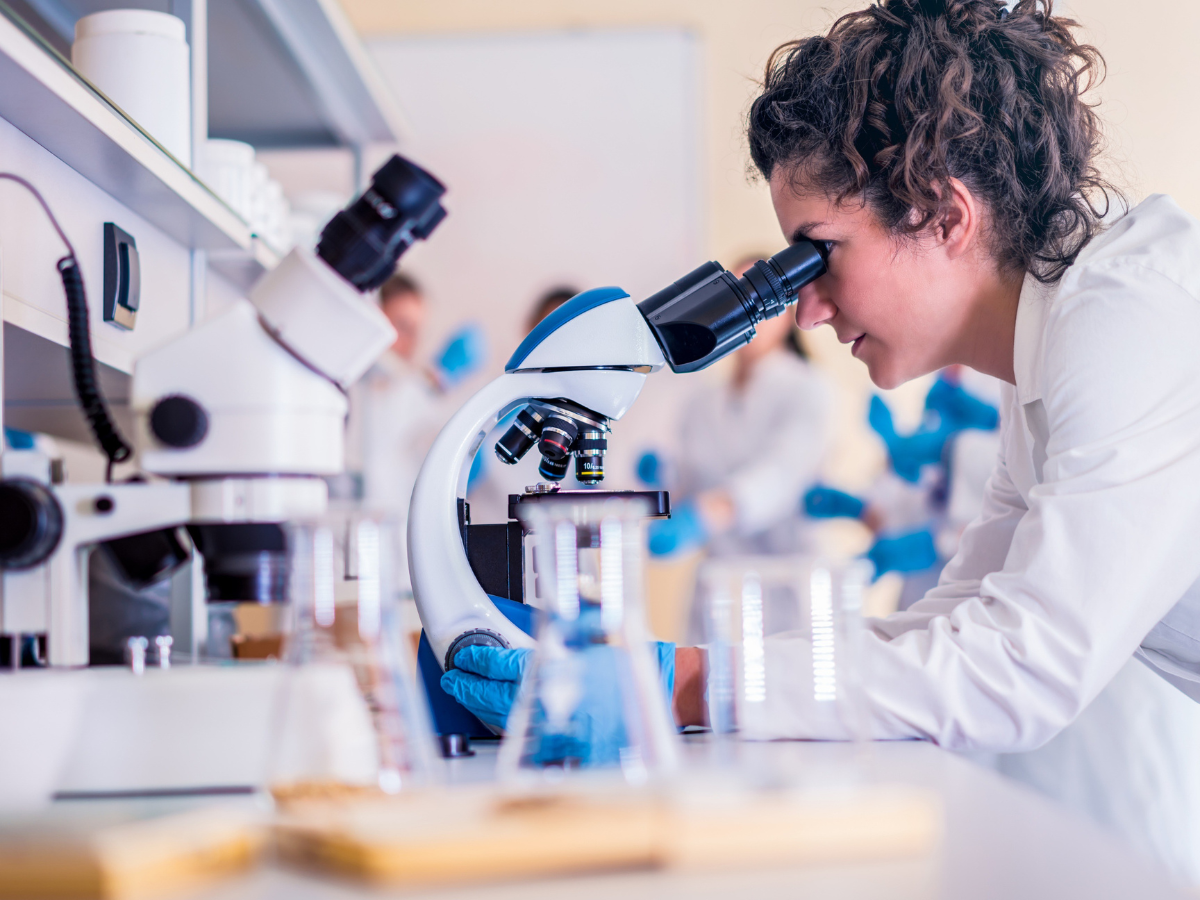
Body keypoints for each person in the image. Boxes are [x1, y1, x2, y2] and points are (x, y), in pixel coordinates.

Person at [443, 0, 1200, 875]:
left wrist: (678, 684)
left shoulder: (1130, 319)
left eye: (818, 252)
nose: (805, 304)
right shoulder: (1049, 354)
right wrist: (683, 671)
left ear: (945, 215)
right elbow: (949, 624)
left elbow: (1020, 668)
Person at [642, 256, 834, 561]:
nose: (745, 309)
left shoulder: (804, 388)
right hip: (718, 576)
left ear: (785, 312)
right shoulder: (703, 402)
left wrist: (705, 515)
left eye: (758, 297)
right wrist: (665, 475)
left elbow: (781, 474)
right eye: (732, 298)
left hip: (785, 576)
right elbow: (693, 480)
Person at [346, 271, 485, 588]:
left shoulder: (411, 395)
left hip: (398, 570)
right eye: (402, 326)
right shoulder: (353, 385)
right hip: (348, 561)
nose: (409, 343)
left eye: (416, 332)